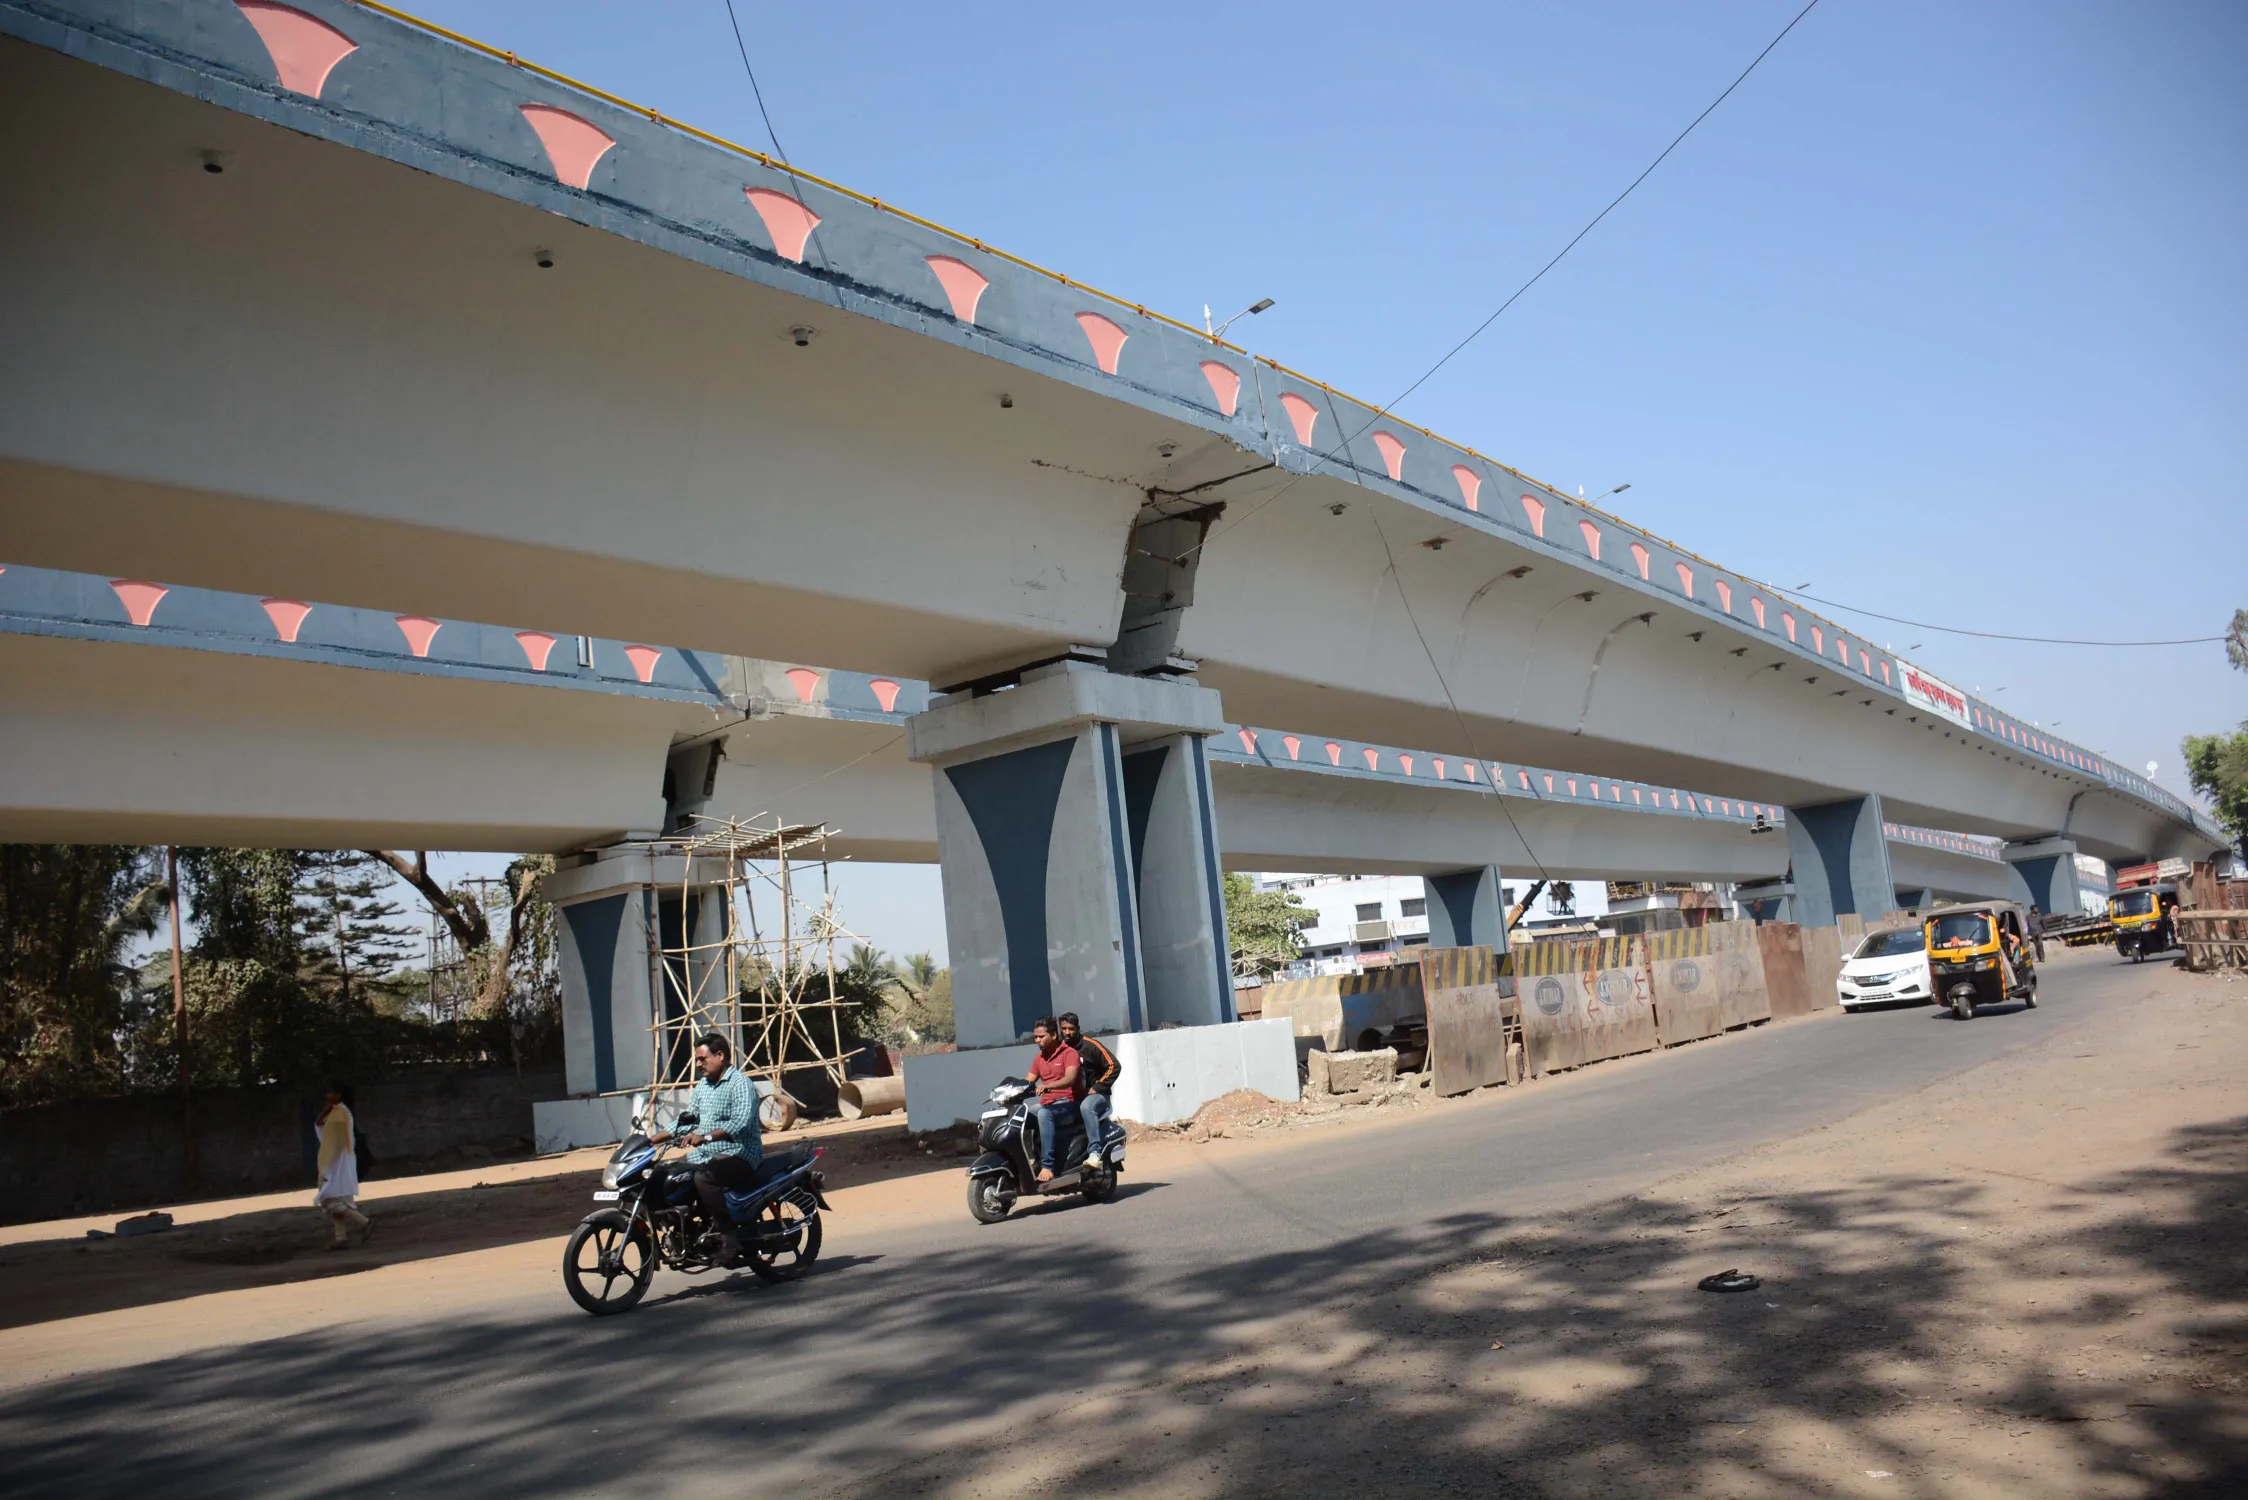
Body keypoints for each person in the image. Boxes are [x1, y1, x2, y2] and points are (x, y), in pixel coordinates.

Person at [648, 1032, 762, 1265]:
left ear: (720, 1056)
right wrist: (651, 1140)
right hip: (706, 1155)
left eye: (702, 1059)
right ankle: (691, 1230)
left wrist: (705, 1136)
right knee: (667, 1175)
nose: (698, 1064)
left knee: (704, 1178)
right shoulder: (703, 1086)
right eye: (697, 1060)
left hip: (739, 1154)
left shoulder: (740, 1084)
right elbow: (688, 1121)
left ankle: (729, 1237)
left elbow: (740, 1122)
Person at [314, 1079, 372, 1251]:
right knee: (338, 1199)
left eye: (331, 1093)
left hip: (336, 1162)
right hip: (339, 1161)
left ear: (340, 1095)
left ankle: (365, 1222)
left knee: (328, 1199)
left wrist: (328, 1167)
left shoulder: (339, 1114)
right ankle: (340, 1238)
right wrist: (328, 1107)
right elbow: (319, 1123)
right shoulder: (338, 1111)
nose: (327, 1096)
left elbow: (336, 1143)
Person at [1057, 1012, 1121, 1168]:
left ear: (1078, 1028)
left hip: (1097, 1095)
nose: (1067, 1032)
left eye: (1071, 1029)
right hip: (1072, 1097)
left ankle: (1095, 1153)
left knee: (1087, 1106)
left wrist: (1097, 1086)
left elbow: (1114, 1065)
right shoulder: (1059, 1048)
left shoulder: (1090, 1046)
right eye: (1063, 1028)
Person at [1023, 1017, 1080, 1184]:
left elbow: (1070, 1079)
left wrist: (1048, 1086)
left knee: (1043, 1114)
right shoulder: (1039, 1059)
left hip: (1068, 1104)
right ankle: (1025, 1164)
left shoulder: (1069, 1053)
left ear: (1054, 1035)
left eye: (1041, 1037)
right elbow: (1028, 1081)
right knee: (1020, 1116)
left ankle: (1048, 1166)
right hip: (1046, 1105)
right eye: (1035, 1037)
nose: (1037, 1040)